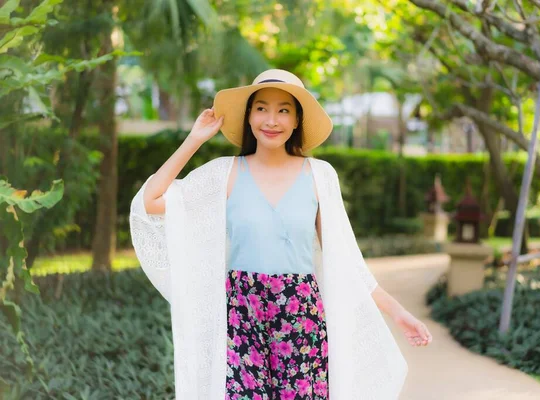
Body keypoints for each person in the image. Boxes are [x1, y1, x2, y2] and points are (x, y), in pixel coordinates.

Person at [135, 69, 432, 399]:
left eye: (283, 110)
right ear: (248, 116)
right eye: (261, 108)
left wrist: (397, 311)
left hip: (301, 316)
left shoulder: (320, 176)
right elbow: (151, 201)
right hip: (241, 317)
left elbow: (346, 260)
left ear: (296, 121)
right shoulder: (224, 173)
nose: (271, 120)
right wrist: (195, 139)